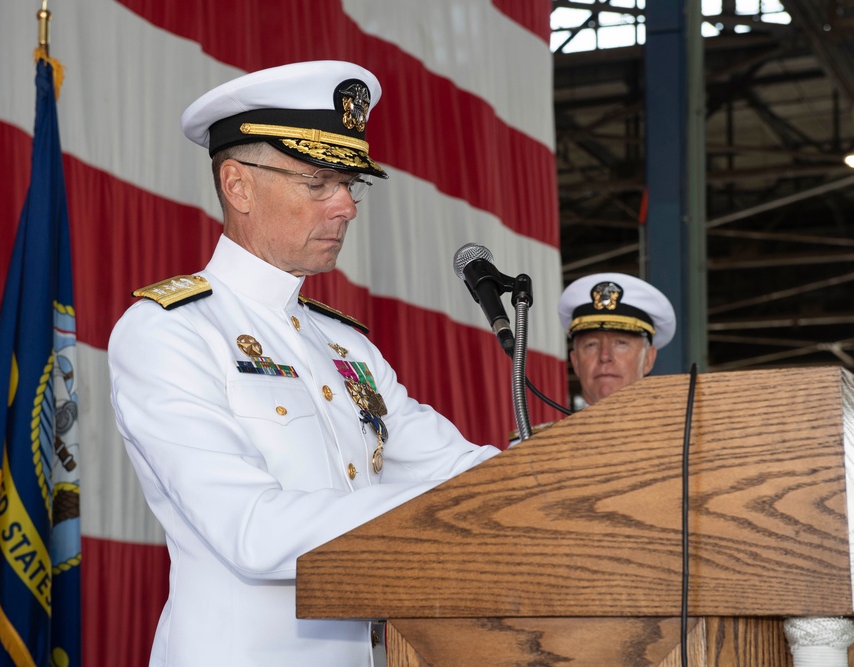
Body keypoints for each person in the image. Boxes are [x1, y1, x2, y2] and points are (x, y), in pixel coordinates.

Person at [107, 61, 501, 667]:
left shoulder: (345, 347)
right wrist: (450, 506)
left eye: (351, 183)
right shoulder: (169, 331)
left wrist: (572, 476)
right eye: (319, 182)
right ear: (238, 186)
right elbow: (252, 532)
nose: (346, 206)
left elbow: (461, 469)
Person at [557, 272, 676, 406]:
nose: (605, 356)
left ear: (648, 358)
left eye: (621, 343)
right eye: (591, 345)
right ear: (576, 362)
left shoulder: (681, 427)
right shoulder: (545, 428)